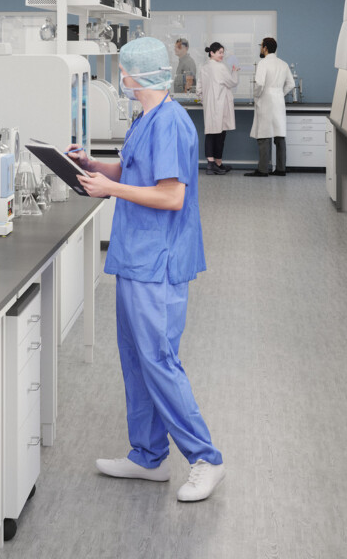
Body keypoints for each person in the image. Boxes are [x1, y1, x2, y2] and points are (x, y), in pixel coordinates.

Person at [68, 37, 225, 503]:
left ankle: (206, 459)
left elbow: (171, 195)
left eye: (122, 70)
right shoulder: (146, 117)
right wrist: (94, 167)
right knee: (136, 360)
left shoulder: (171, 122)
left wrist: (109, 192)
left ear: (133, 75)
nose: (121, 76)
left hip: (159, 260)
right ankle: (148, 456)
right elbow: (134, 169)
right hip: (135, 255)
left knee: (159, 361)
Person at [248, 36, 295, 178]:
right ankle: (281, 169)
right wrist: (280, 92)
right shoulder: (283, 64)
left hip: (266, 100)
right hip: (278, 101)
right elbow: (291, 84)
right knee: (279, 136)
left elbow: (260, 84)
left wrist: (256, 96)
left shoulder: (263, 63)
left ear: (265, 48)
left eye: (261, 46)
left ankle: (262, 170)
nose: (260, 48)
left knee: (264, 136)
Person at [199, 42, 237, 175]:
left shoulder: (203, 67)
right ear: (212, 53)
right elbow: (232, 82)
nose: (222, 55)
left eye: (223, 52)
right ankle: (218, 163)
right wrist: (234, 72)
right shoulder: (220, 67)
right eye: (220, 52)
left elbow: (199, 89)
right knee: (220, 134)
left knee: (210, 133)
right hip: (220, 104)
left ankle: (211, 164)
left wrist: (204, 100)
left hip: (209, 104)